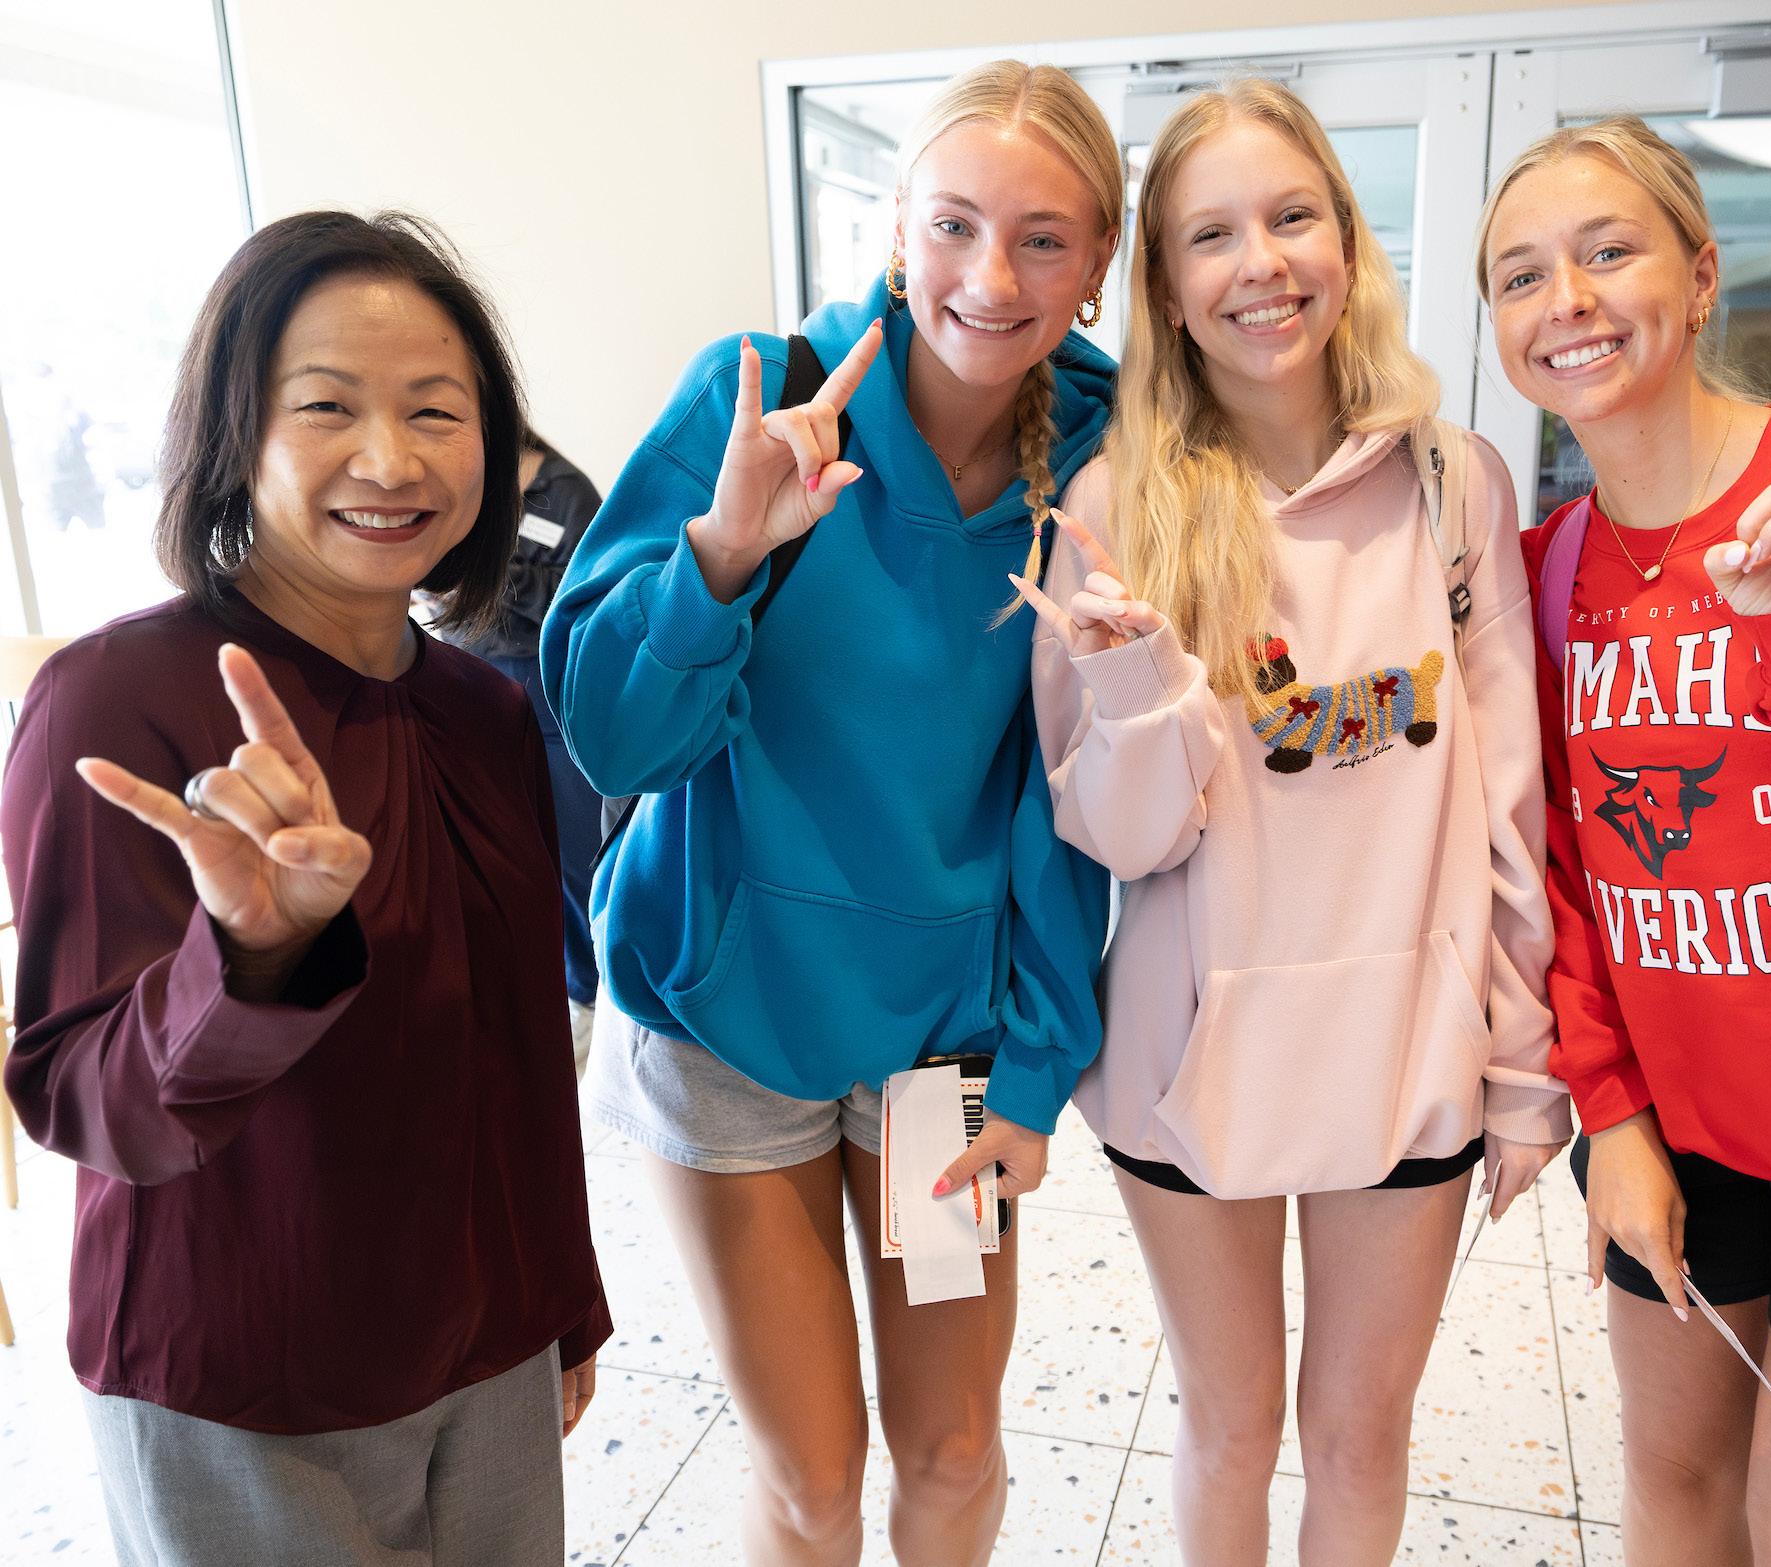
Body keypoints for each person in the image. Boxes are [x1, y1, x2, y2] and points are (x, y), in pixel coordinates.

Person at [542, 60, 1121, 1567]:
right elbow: (613, 734)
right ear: (896, 228)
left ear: (1099, 263)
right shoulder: (761, 393)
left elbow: (1068, 798)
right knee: (811, 1475)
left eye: (1043, 239)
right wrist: (722, 555)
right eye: (955, 225)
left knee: (953, 1446)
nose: (991, 278)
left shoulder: (1108, 455)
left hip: (941, 1041)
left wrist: (1038, 1064)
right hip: (726, 1016)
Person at [2, 210, 610, 1567]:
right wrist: (246, 957)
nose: (390, 460)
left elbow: (519, 1051)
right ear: (236, 432)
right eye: (328, 405)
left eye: (436, 410)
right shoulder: (117, 699)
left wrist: (561, 1299)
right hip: (241, 1373)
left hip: (488, 1348)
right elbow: (79, 1093)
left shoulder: (485, 709)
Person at [1016, 80, 1570, 1566]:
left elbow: (1506, 803)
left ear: (1344, 239)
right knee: (1228, 1425)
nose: (1258, 262)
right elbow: (1120, 838)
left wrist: (1524, 1063)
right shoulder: (1114, 504)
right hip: (1189, 1059)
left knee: (1358, 1436)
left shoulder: (1453, 482)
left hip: (1408, 1049)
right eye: (1211, 235)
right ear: (1165, 287)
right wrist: (1136, 687)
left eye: (1290, 216)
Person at [1476, 114, 1771, 1567]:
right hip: (1675, 1130)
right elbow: (1561, 882)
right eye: (1519, 274)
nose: (1564, 299)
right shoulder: (1545, 571)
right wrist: (1610, 1117)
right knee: (1677, 1493)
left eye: (1605, 251)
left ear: (1697, 278)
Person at [440, 426, 606, 1066]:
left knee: (576, 862)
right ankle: (553, 997)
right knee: (507, 861)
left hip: (552, 697)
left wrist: (492, 577)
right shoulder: (460, 483)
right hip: (472, 690)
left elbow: (588, 600)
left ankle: (594, 999)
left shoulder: (564, 492)